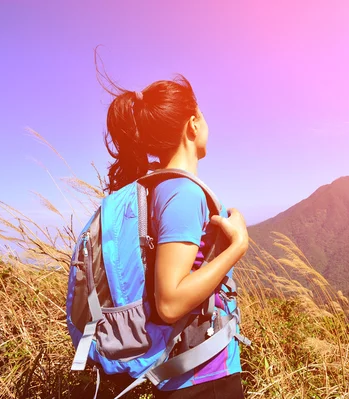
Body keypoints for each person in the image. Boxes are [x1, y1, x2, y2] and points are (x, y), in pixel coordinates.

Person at [102, 74, 249, 398]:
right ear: (192, 124)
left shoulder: (159, 186)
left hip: (188, 372)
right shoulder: (182, 193)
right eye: (203, 114)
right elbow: (169, 302)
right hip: (201, 378)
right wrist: (238, 246)